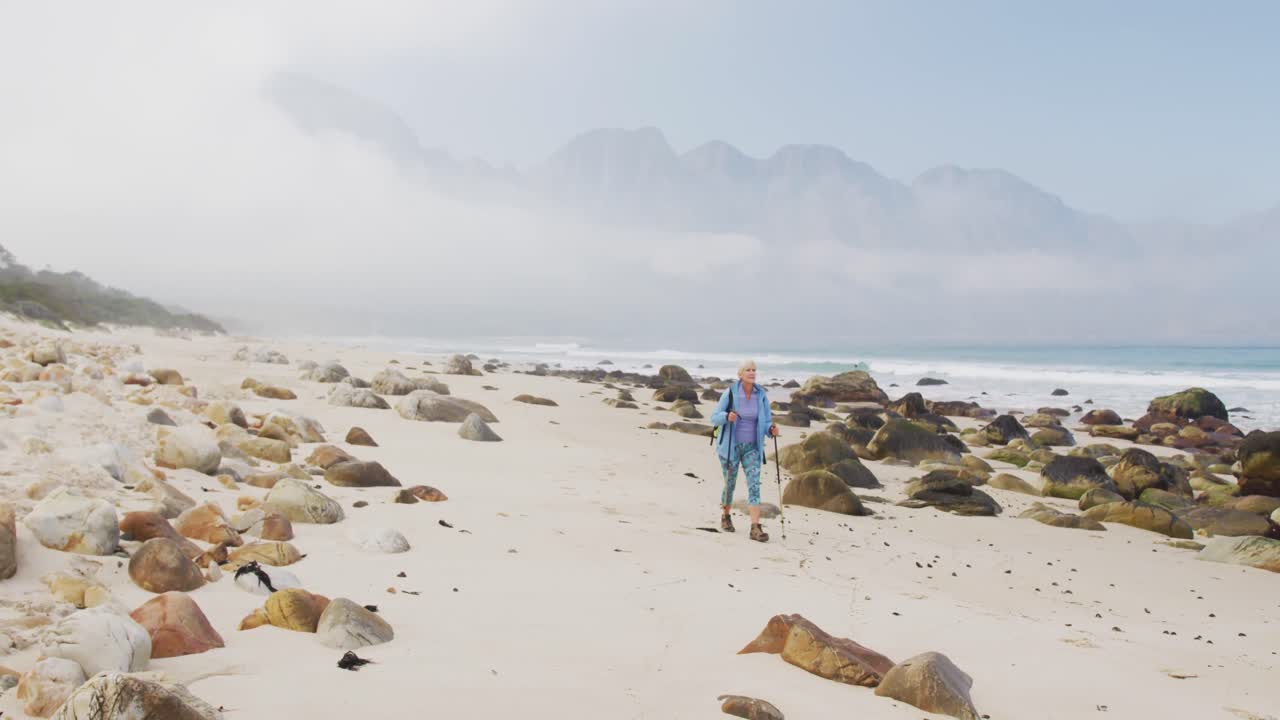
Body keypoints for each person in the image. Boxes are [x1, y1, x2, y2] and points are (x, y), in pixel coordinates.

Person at [709, 359, 778, 542]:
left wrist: (771, 430)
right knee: (730, 483)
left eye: (754, 370)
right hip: (731, 446)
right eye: (748, 370)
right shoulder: (730, 393)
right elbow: (714, 418)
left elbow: (766, 421)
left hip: (752, 448)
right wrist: (726, 416)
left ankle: (755, 528)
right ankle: (725, 516)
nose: (752, 372)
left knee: (754, 484)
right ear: (740, 374)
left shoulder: (761, 395)